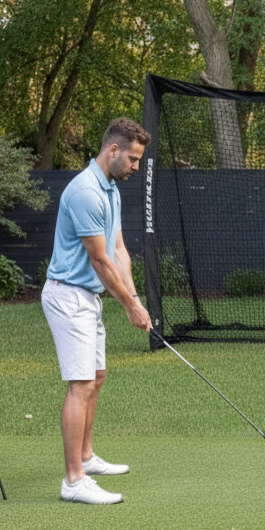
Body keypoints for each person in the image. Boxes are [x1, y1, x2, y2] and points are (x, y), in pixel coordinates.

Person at [41, 117, 152, 504]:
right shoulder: (86, 191)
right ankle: (73, 481)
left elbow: (119, 248)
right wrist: (130, 309)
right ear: (113, 150)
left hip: (87, 298)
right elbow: (101, 262)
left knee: (97, 376)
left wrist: (134, 298)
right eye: (134, 159)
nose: (136, 167)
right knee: (81, 384)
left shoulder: (110, 190)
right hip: (68, 296)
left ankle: (86, 459)